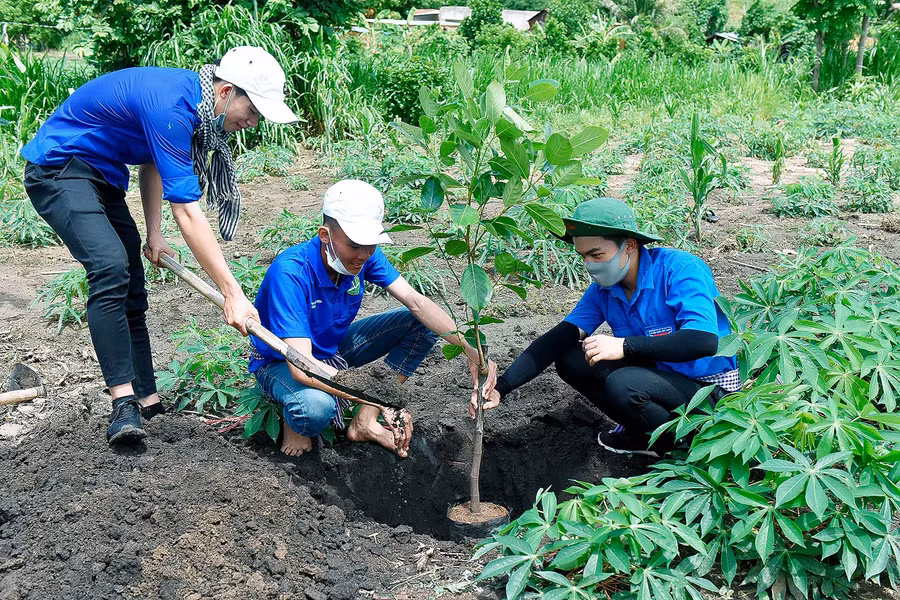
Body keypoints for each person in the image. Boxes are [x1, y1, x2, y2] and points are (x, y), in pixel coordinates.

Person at [21, 46, 300, 445]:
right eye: (252, 111)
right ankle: (123, 403)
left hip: (101, 176)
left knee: (132, 283)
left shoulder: (193, 104)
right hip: (58, 168)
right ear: (225, 93)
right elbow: (187, 213)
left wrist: (154, 233)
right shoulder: (172, 106)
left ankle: (147, 400)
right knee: (110, 267)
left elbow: (152, 162)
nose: (253, 123)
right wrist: (232, 293)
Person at [250, 179, 497, 458]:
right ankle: (293, 419)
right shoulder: (290, 273)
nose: (364, 255)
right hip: (282, 361)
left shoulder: (363, 255)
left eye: (371, 245)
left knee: (421, 325)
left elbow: (416, 302)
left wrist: (470, 349)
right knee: (315, 409)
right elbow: (302, 366)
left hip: (331, 350)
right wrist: (382, 398)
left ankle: (364, 422)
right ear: (324, 235)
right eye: (355, 245)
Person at [474, 197, 740, 456]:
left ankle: (681, 444)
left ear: (629, 246)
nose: (589, 264)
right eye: (583, 256)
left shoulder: (679, 269)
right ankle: (642, 434)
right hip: (661, 378)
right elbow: (558, 339)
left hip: (707, 391)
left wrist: (625, 346)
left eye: (596, 254)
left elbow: (703, 341)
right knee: (572, 359)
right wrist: (501, 387)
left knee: (625, 384)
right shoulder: (605, 290)